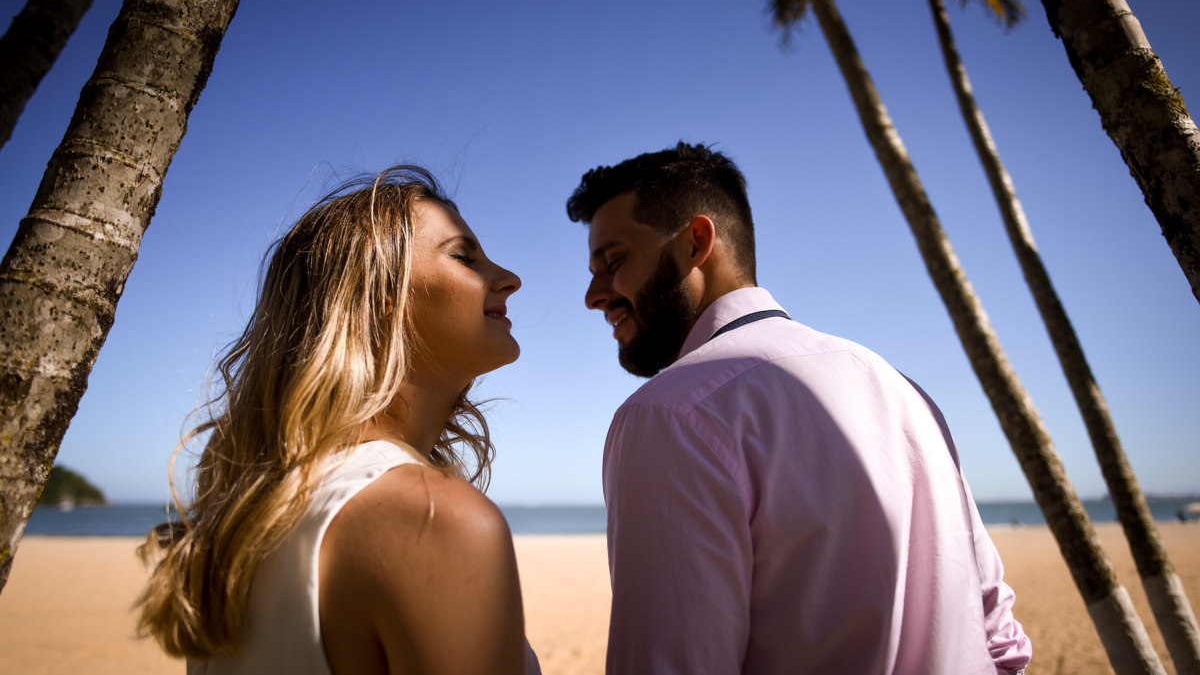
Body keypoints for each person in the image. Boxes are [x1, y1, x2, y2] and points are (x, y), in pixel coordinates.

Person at [566, 142, 1032, 675]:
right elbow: (1000, 642)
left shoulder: (672, 415)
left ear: (697, 243)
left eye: (613, 262)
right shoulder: (903, 389)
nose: (593, 295)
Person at [137, 165, 539, 675]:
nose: (509, 278)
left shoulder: (256, 513)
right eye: (464, 256)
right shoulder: (432, 520)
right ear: (377, 300)